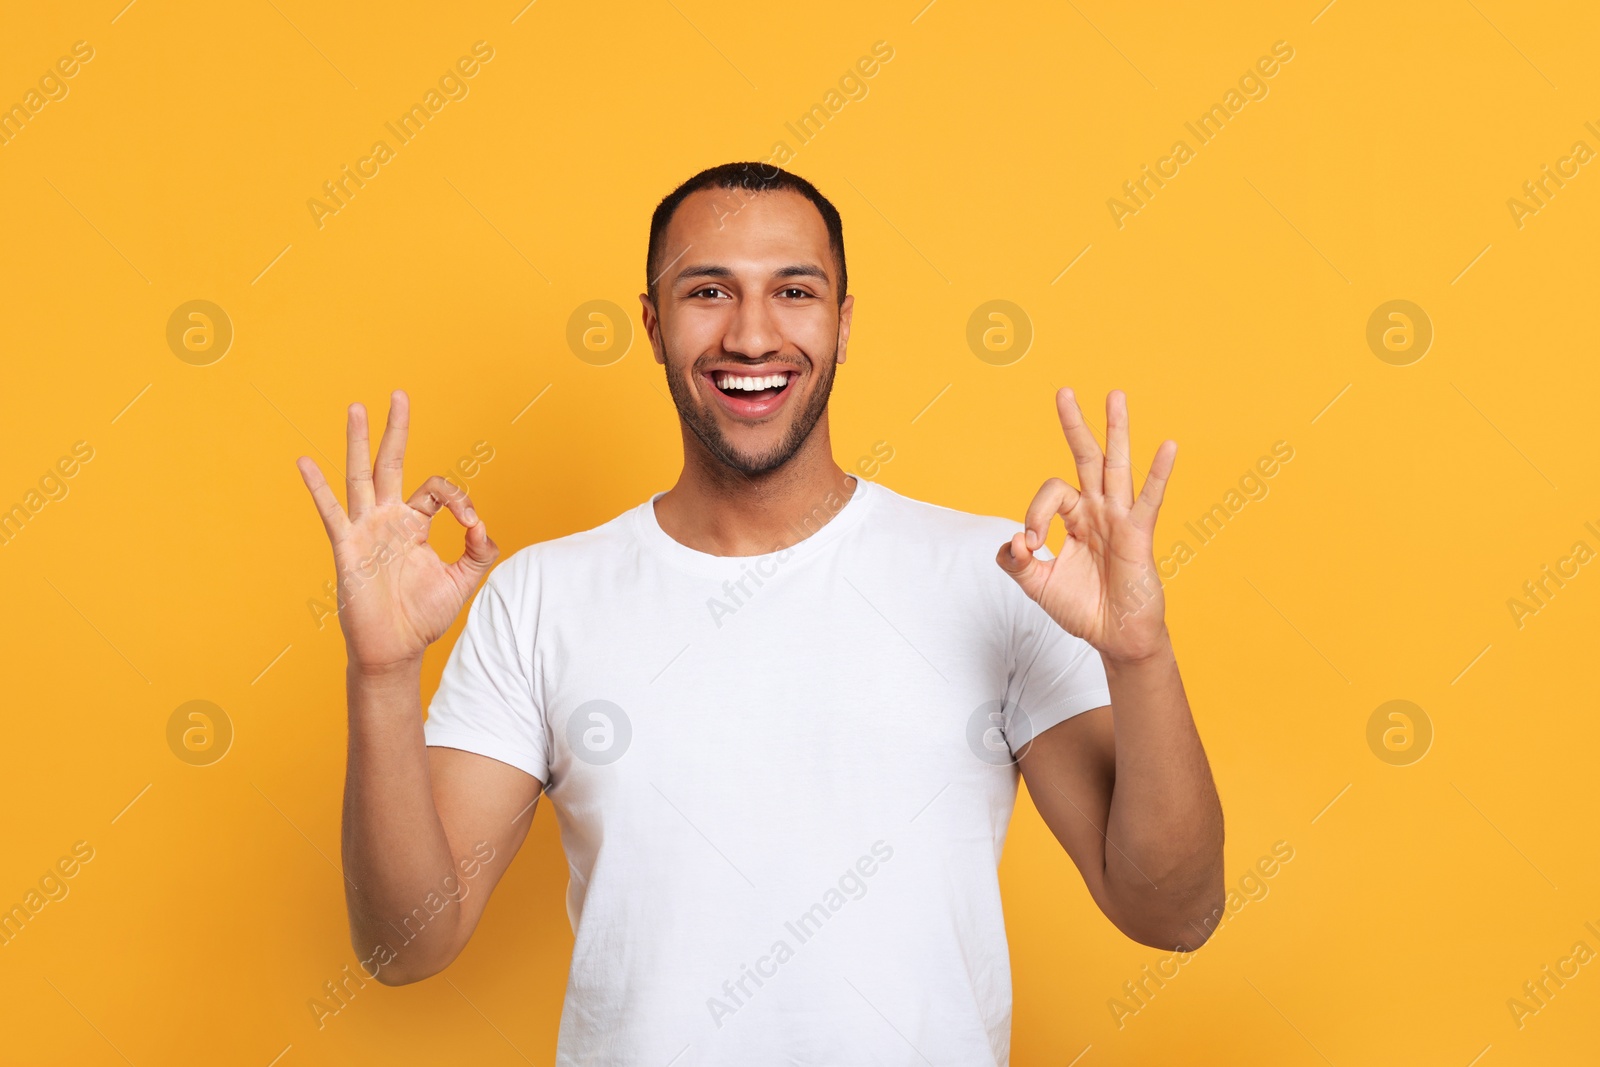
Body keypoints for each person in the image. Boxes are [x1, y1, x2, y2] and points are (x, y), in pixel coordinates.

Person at [295, 162, 1224, 1065]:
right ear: (654, 326)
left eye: (794, 291)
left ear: (844, 322)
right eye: (709, 291)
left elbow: (1174, 913)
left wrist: (1139, 654)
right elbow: (404, 946)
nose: (750, 336)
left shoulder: (999, 574)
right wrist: (380, 677)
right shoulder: (542, 595)